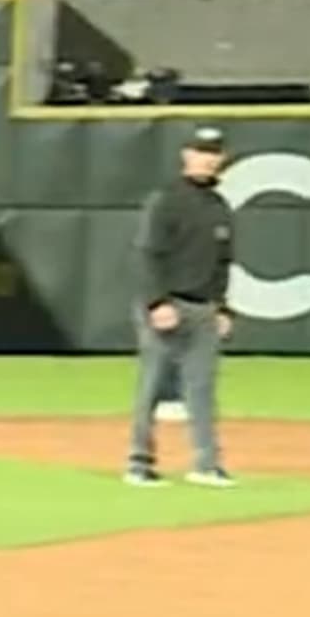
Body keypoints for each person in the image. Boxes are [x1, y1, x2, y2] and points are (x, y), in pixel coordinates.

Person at [127, 126, 238, 487]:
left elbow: (223, 263)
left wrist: (222, 307)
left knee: (202, 389)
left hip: (203, 310)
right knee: (153, 386)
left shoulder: (219, 206)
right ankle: (138, 462)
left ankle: (207, 464)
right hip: (167, 306)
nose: (207, 158)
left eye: (214, 152)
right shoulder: (167, 200)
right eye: (201, 151)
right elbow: (148, 255)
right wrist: (157, 301)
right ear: (186, 156)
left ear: (222, 159)